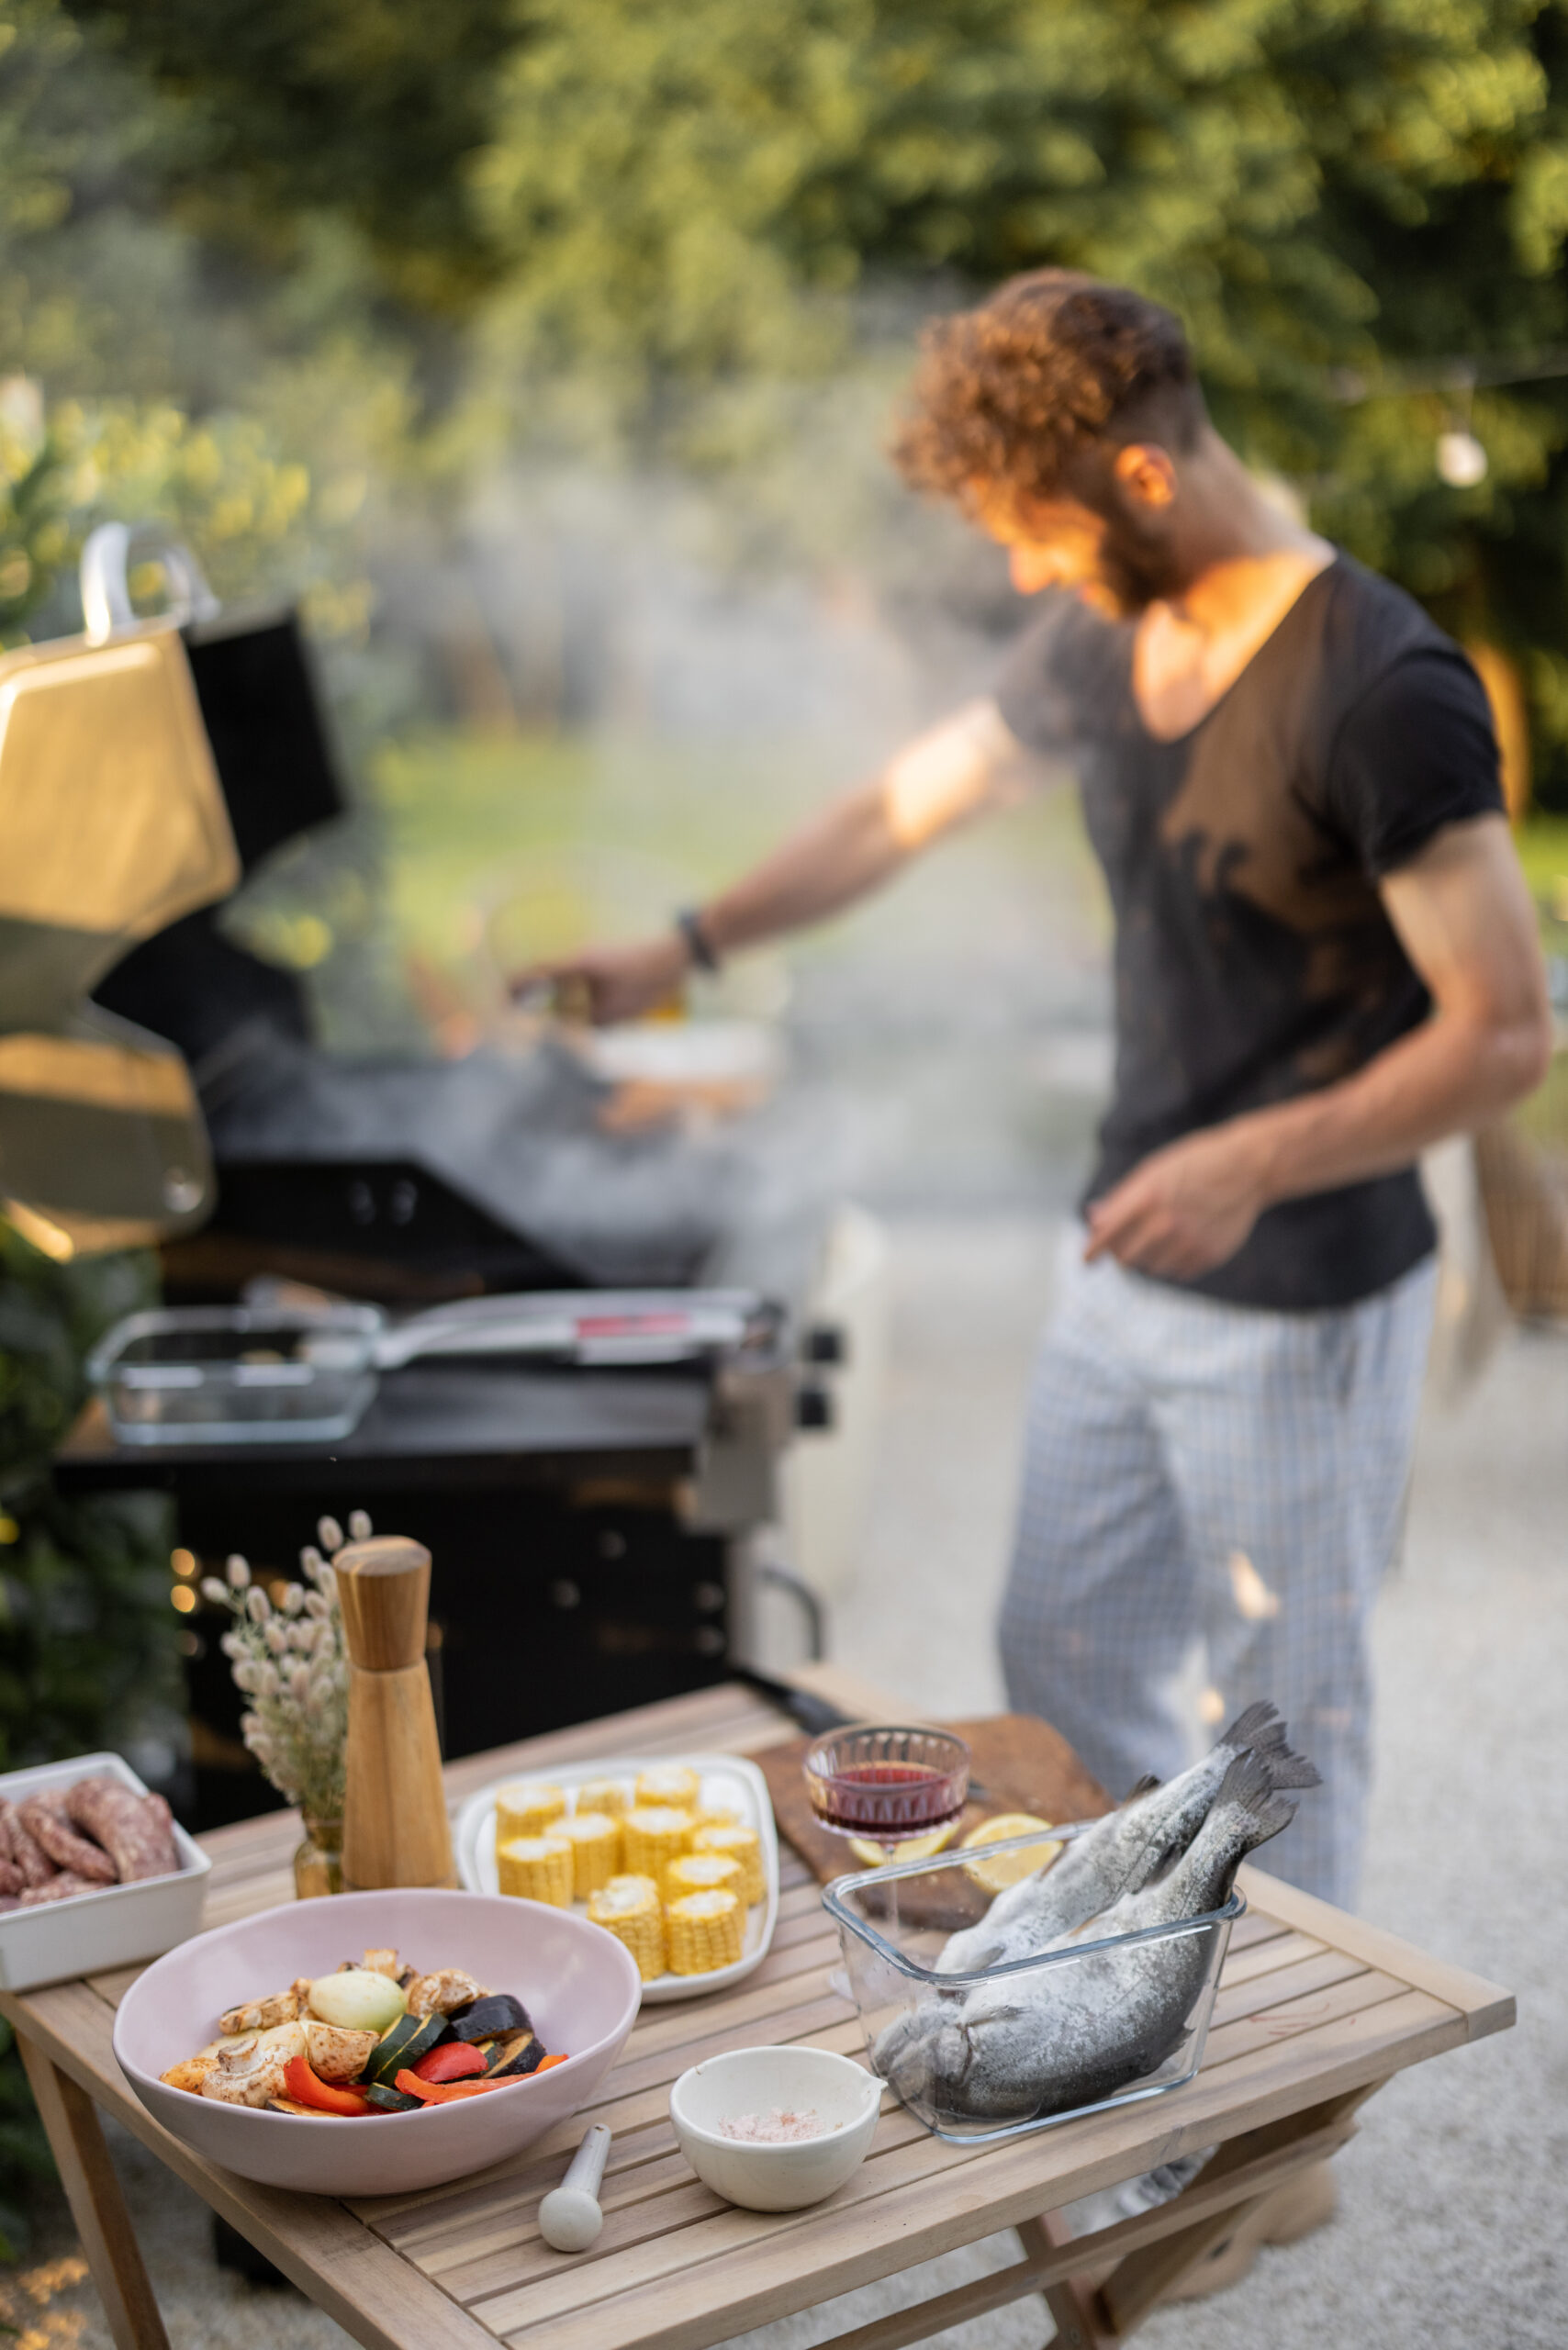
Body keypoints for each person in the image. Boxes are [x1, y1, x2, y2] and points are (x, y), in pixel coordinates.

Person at [519, 272, 1551, 1913]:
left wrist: (1249, 1166)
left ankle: (1276, 2141)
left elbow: (1505, 1032)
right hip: (1122, 1252)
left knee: (1281, 1730)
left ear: (1142, 474)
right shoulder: (1109, 627)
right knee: (1058, 1659)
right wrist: (688, 941)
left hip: (1300, 1293)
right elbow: (900, 810)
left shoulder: (1379, 689)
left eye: (1037, 530)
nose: (1022, 572)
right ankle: (1133, 2020)